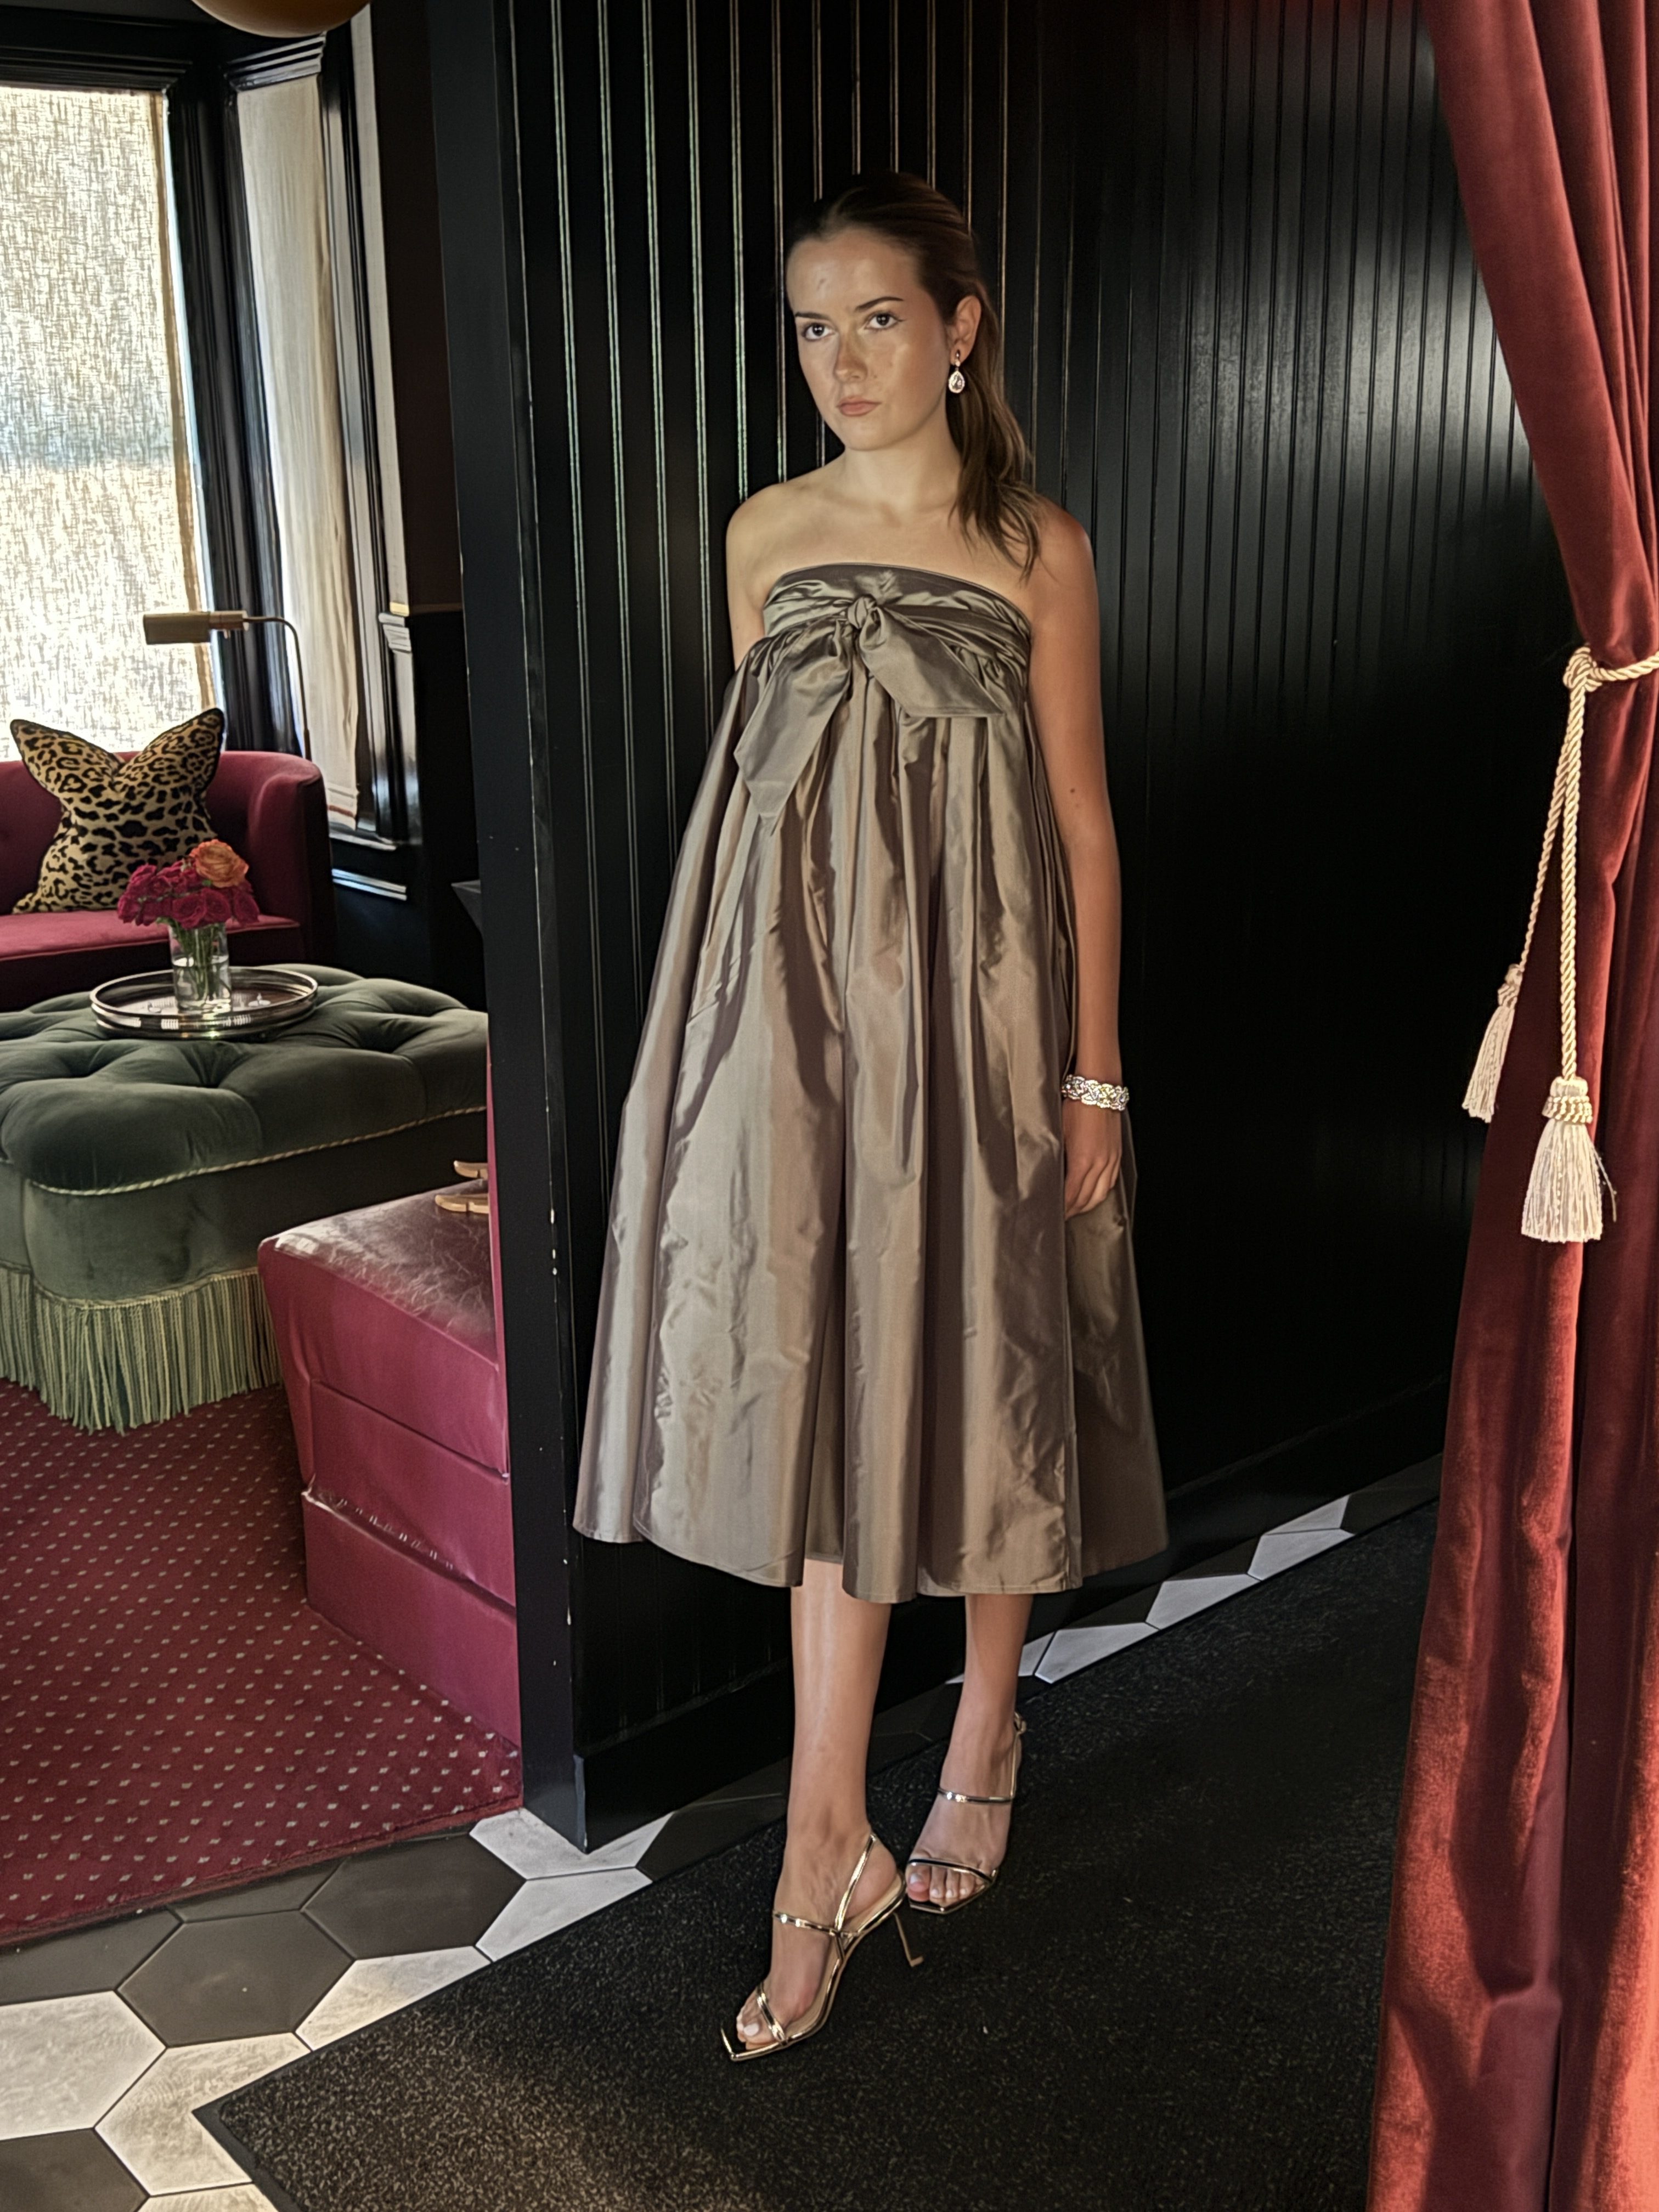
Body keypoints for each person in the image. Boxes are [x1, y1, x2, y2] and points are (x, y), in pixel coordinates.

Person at [573, 171, 1165, 2059]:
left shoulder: (1038, 548)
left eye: (881, 320)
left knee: (989, 1372)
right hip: (799, 1045)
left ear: (961, 328)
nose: (843, 361)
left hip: (988, 1033)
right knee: (830, 1402)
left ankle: (985, 1723)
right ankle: (820, 1840)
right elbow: (776, 821)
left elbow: (1080, 826)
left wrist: (1094, 1072)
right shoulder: (762, 533)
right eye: (814, 327)